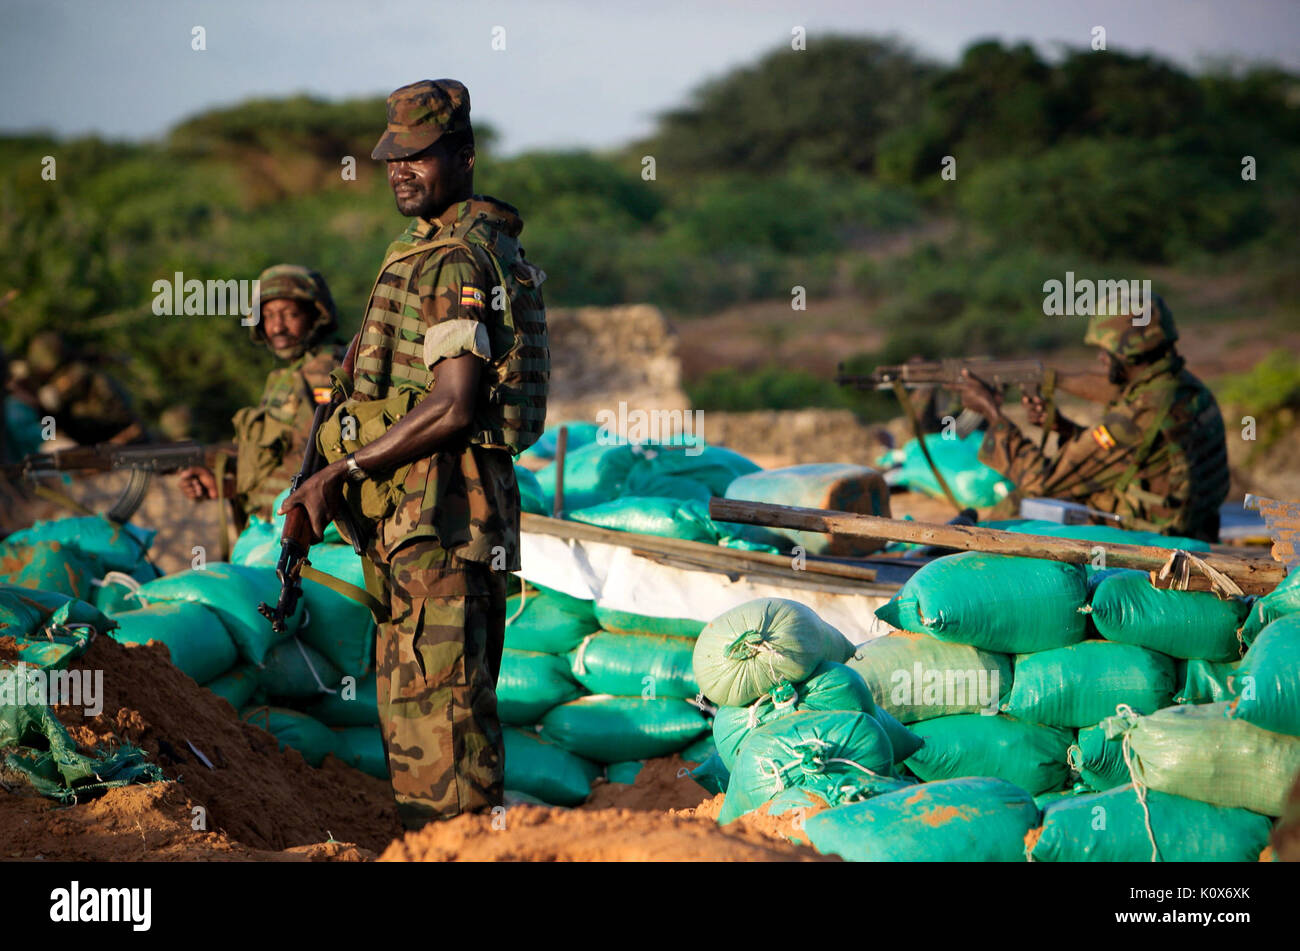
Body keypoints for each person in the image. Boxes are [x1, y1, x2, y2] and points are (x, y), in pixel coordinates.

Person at [281, 79, 549, 827]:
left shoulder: (455, 260)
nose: (400, 170)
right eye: (392, 158)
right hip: (419, 521)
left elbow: (455, 401)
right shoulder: (427, 249)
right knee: (417, 716)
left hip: (445, 517)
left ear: (464, 156)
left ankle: (457, 847)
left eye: (419, 156)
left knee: (443, 722)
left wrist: (343, 471)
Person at [958, 295, 1229, 542]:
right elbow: (1135, 458)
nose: (1101, 359)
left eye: (1106, 350)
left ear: (1128, 352)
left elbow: (1043, 480)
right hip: (1190, 525)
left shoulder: (1142, 411)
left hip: (1150, 533)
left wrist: (992, 414)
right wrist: (1064, 428)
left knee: (1022, 503)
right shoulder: (1187, 389)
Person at [177, 265, 344, 523]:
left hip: (304, 525)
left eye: (291, 314)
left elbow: (316, 465)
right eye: (268, 315)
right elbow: (278, 463)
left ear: (316, 316)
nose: (277, 327)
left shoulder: (326, 372)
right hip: (276, 521)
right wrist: (222, 482)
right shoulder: (287, 376)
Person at [7, 331, 141, 446]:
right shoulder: (31, 386)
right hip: (67, 441)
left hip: (106, 439)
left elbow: (127, 423)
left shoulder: (84, 377)